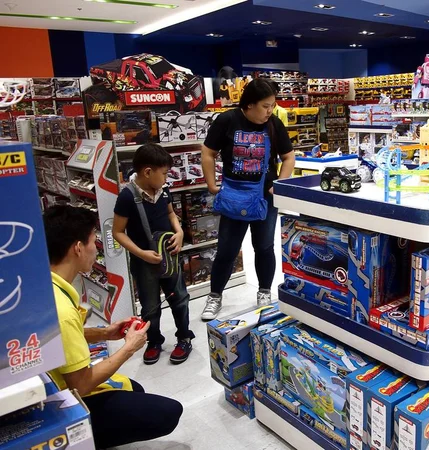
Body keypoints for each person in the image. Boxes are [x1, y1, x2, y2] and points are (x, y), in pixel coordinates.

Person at [43, 205, 183, 449]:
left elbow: (58, 336)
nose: (95, 248)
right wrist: (129, 348)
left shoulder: (47, 287)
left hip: (53, 385)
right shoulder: (62, 310)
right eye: (92, 242)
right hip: (61, 401)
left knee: (136, 389)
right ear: (77, 248)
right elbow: (81, 384)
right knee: (169, 412)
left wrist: (103, 333)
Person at [200, 78, 295, 320]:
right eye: (265, 106)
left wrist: (280, 184)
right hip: (234, 195)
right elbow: (208, 152)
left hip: (264, 197)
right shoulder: (227, 120)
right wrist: (211, 183)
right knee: (226, 250)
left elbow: (289, 156)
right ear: (250, 104)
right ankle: (215, 296)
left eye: (272, 105)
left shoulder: (274, 124)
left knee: (264, 247)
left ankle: (264, 291)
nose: (269, 111)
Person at [113, 143, 195, 365]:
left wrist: (179, 232)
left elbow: (171, 214)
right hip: (144, 262)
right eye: (164, 173)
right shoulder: (127, 197)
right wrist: (141, 253)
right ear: (147, 172)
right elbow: (118, 232)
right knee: (150, 306)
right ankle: (154, 340)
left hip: (170, 256)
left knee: (179, 298)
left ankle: (184, 337)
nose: (166, 177)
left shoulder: (164, 190)